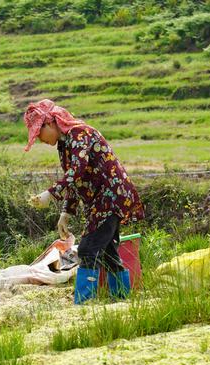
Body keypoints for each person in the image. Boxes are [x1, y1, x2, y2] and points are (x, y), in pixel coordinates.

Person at [25, 99, 144, 304]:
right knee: (106, 251)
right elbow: (74, 180)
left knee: (88, 249)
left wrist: (51, 193)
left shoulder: (80, 134)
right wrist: (66, 212)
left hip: (110, 197)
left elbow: (77, 171)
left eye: (39, 133)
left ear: (50, 123)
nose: (39, 140)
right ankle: (122, 299)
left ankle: (85, 302)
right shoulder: (64, 144)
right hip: (100, 200)